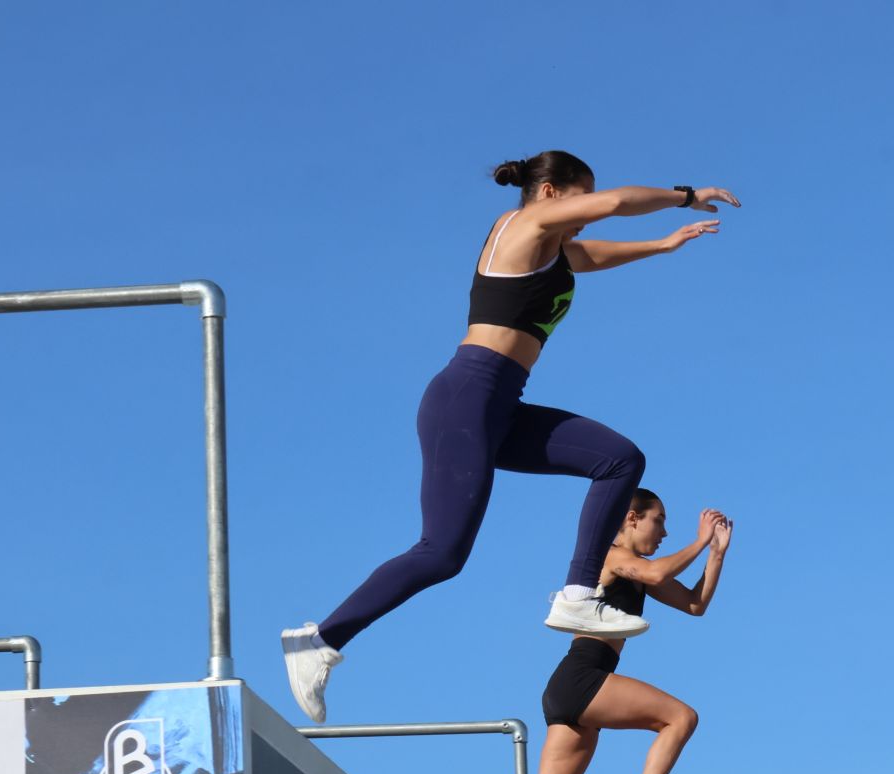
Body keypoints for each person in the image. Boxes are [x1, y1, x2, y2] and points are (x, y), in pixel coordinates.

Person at [281, 149, 742, 722]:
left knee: (620, 459)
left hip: (499, 405)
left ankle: (577, 595)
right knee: (441, 552)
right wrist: (686, 193)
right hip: (465, 400)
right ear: (549, 194)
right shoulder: (521, 225)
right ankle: (319, 639)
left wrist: (661, 246)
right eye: (580, 200)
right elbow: (618, 204)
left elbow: (588, 255)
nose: (585, 215)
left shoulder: (553, 249)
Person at [447, 489, 731, 774]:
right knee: (680, 717)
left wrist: (716, 555)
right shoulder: (613, 557)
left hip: (571, 687)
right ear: (632, 518)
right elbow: (653, 574)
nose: (666, 532)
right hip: (584, 676)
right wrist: (700, 539)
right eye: (660, 520)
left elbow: (693, 604)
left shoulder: (638, 570)